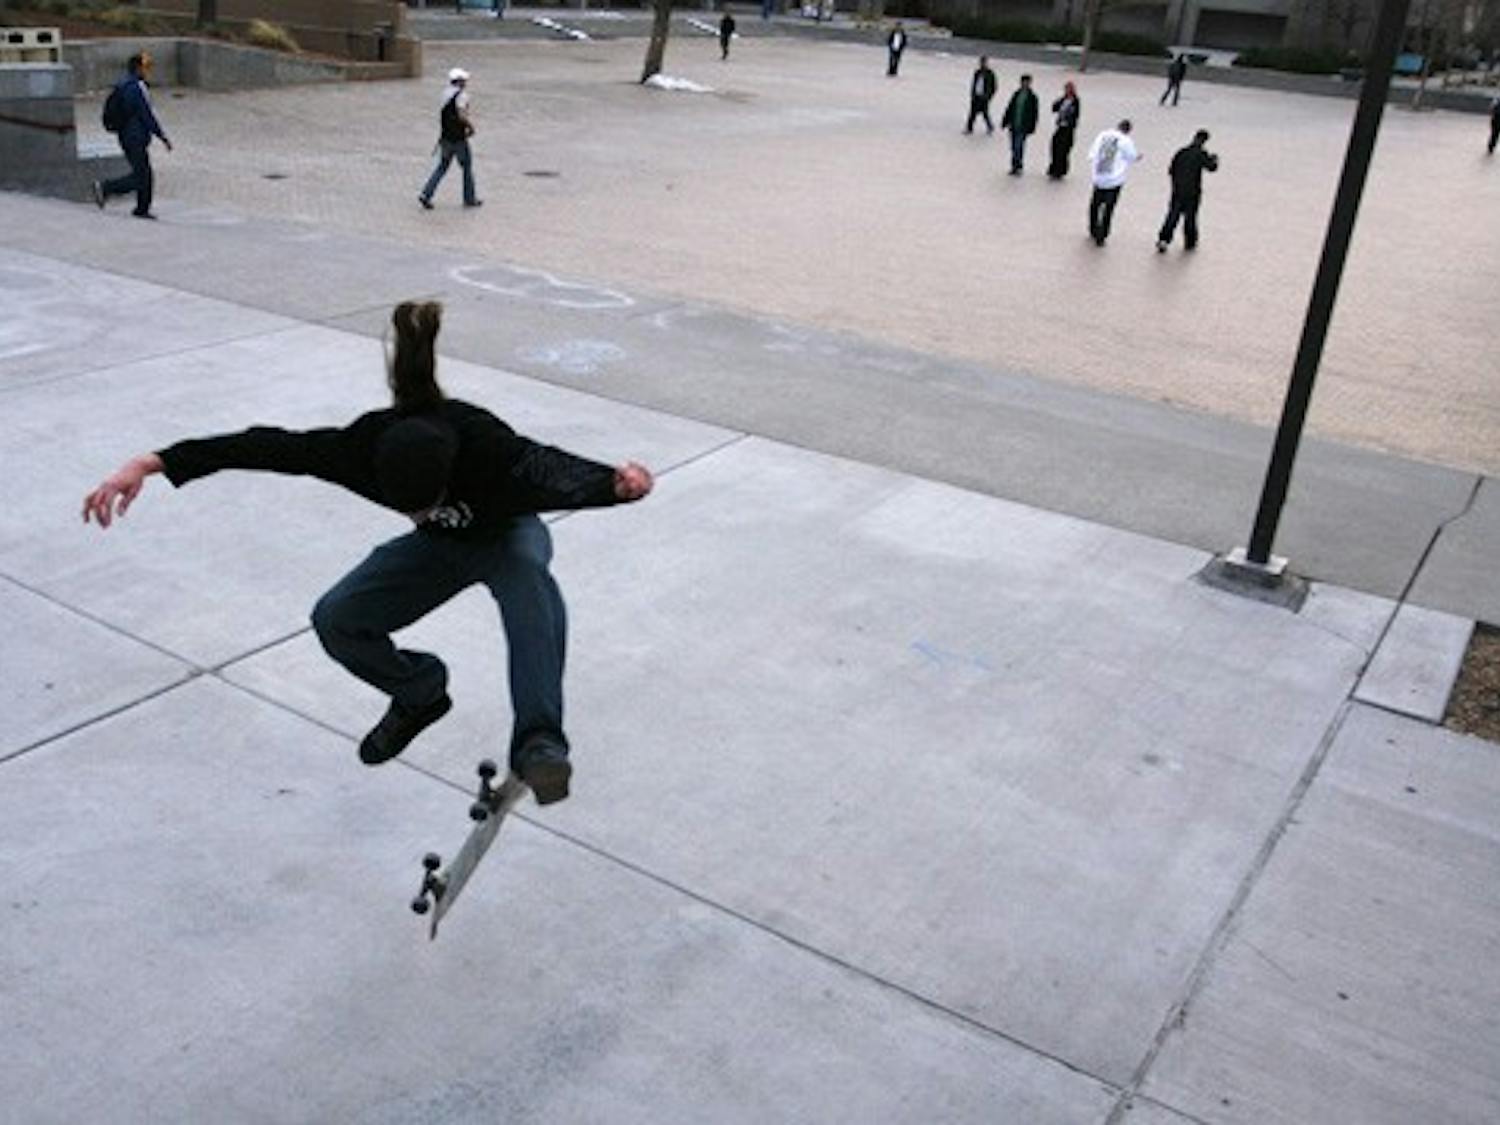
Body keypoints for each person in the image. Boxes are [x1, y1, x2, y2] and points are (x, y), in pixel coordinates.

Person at [81, 300, 655, 807]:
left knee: (529, 580)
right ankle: (418, 693)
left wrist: (614, 484)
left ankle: (539, 741)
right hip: (438, 554)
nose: (419, 513)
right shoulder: (359, 449)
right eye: (410, 509)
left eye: (427, 504)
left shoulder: (484, 444)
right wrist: (153, 462)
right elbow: (270, 446)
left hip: (505, 536)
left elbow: (547, 468)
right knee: (336, 618)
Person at [91, 52, 173, 220]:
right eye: (145, 67)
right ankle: (106, 188)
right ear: (137, 68)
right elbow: (146, 114)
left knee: (145, 175)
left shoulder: (125, 85)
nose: (148, 71)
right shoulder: (136, 87)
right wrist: (162, 136)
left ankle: (142, 209)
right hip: (134, 137)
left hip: (128, 136)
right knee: (141, 177)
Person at [419, 68, 482, 211]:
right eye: (464, 80)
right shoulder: (462, 96)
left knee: (442, 166)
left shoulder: (445, 93)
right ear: (459, 81)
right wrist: (470, 127)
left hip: (445, 137)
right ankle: (469, 198)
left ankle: (426, 194)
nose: (466, 82)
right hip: (459, 138)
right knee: (466, 167)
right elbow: (461, 115)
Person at [1156, 129, 1218, 252]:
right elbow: (1211, 168)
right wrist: (1214, 159)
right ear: (1204, 141)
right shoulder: (1201, 153)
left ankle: (1164, 239)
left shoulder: (1181, 152)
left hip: (1177, 190)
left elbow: (1171, 171)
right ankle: (1190, 242)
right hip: (1193, 191)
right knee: (1190, 217)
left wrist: (1175, 185)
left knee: (1173, 215)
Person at [1087, 119, 1140, 246]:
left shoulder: (1103, 135)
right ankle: (1102, 234)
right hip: (1114, 180)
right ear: (1128, 131)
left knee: (1095, 204)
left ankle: (1093, 228)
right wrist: (1138, 157)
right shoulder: (1126, 141)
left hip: (1099, 177)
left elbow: (1092, 153)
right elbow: (1132, 156)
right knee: (1108, 208)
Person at [1000, 74, 1040, 175]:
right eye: (1023, 82)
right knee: (1013, 146)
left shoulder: (1032, 97)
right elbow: (1010, 108)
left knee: (1019, 146)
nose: (1025, 84)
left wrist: (1032, 127)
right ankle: (1014, 165)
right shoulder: (1016, 94)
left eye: (1027, 82)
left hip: (1023, 126)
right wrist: (1005, 121)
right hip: (1014, 124)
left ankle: (1018, 166)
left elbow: (1034, 113)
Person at [1046, 81, 1080, 179]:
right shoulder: (1063, 99)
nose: (1067, 91)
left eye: (1069, 89)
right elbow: (1054, 108)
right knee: (1054, 146)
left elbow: (1076, 115)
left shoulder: (1075, 101)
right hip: (1060, 126)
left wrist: (1070, 117)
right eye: (1066, 89)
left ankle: (1060, 170)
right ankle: (1053, 167)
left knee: (1063, 149)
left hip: (1068, 129)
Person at [965, 56, 997, 135]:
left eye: (984, 62)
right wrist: (972, 93)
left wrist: (989, 96)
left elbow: (994, 86)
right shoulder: (977, 72)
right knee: (972, 113)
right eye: (981, 62)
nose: (982, 64)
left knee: (985, 113)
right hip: (976, 95)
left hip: (984, 97)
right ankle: (969, 128)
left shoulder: (990, 73)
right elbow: (974, 83)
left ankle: (990, 127)